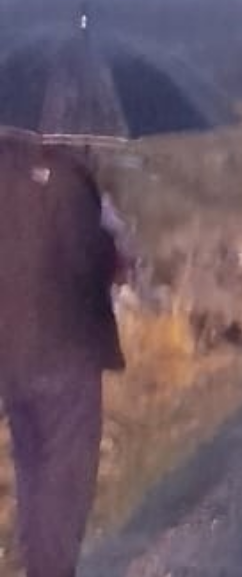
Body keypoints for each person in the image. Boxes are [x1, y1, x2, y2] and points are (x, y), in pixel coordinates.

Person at [0, 133, 125, 577]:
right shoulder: (73, 179)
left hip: (12, 356)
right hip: (66, 355)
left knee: (32, 478)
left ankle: (38, 567)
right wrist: (113, 237)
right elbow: (92, 269)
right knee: (64, 488)